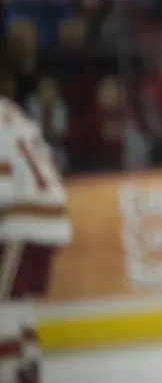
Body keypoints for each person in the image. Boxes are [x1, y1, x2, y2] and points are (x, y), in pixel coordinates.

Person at [0, 97, 72, 383]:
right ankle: (28, 370)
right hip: (48, 217)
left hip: (26, 221)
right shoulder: (9, 108)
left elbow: (2, 189)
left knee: (3, 308)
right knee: (19, 306)